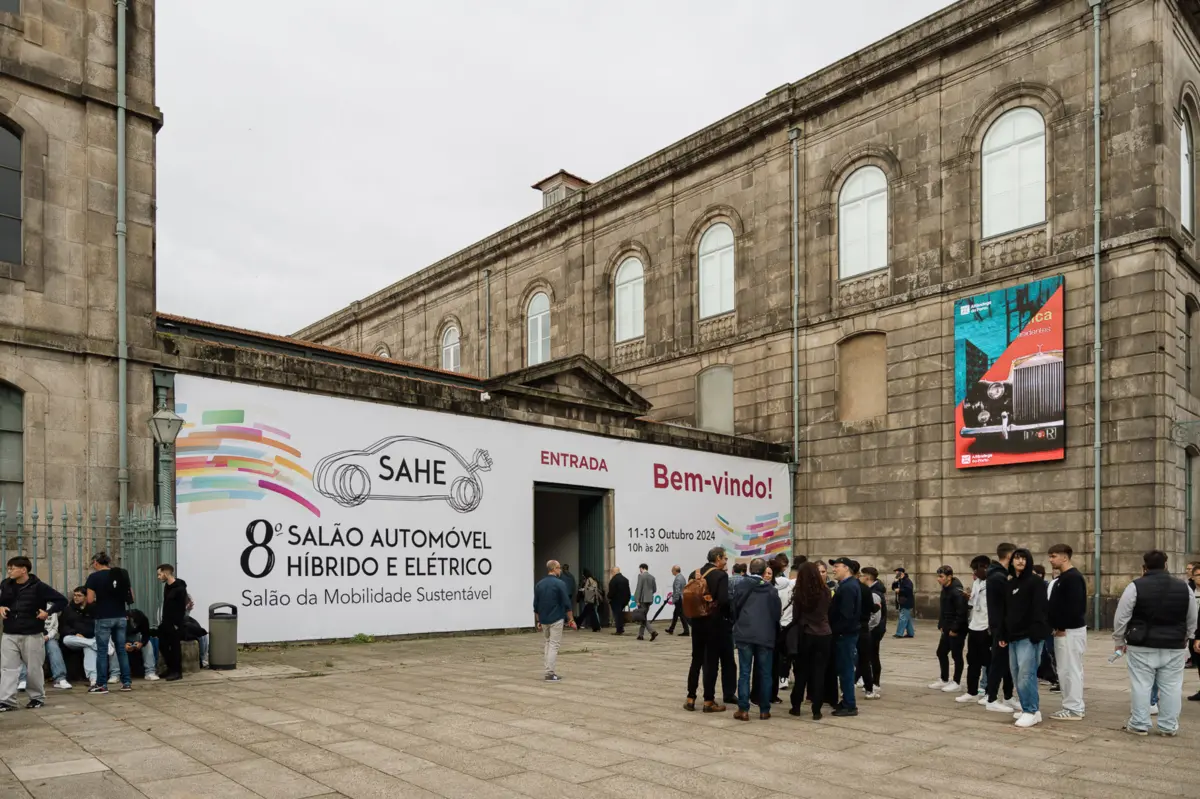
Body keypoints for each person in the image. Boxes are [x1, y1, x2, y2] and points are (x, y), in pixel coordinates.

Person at [1113, 549, 1197, 736]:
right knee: (1172, 686)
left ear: (1144, 566)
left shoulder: (1135, 586)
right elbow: (1192, 616)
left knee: (1141, 685)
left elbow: (1121, 617)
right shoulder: (1184, 587)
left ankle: (1139, 723)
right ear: (1166, 564)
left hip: (1142, 643)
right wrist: (1188, 636)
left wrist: (1119, 639)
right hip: (1174, 643)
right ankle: (1168, 726)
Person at [0, 556, 67, 711]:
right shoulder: (5, 584)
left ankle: (37, 697)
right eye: (8, 568)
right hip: (9, 633)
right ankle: (7, 700)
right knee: (7, 668)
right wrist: (1, 607)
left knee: (34, 668)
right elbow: (2, 601)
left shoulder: (39, 587)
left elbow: (62, 601)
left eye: (12, 568)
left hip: (32, 633)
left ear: (23, 570)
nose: (9, 571)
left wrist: (48, 612)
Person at [999, 547, 1050, 728]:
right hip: (1013, 637)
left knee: (1026, 675)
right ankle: (1030, 708)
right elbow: (1006, 611)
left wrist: (1036, 633)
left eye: (1024, 558)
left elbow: (1040, 609)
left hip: (1029, 637)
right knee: (1016, 673)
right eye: (1017, 558)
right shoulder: (1010, 583)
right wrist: (1003, 634)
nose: (1020, 561)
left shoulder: (1035, 582)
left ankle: (1030, 710)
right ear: (1012, 561)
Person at [683, 546, 732, 713]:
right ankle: (708, 701)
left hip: (697, 622)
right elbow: (724, 601)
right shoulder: (720, 575)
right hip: (713, 623)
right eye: (725, 558)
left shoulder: (694, 573)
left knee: (696, 659)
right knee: (711, 662)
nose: (726, 561)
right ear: (718, 558)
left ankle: (690, 698)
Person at [731, 558, 781, 721]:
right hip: (765, 635)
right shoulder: (770, 589)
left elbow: (734, 608)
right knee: (765, 673)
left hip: (745, 633)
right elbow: (776, 614)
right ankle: (764, 710)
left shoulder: (741, 585)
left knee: (745, 672)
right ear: (764, 570)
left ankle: (743, 709)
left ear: (750, 569)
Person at [1047, 543, 1086, 721]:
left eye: (1053, 556)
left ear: (1064, 557)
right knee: (1064, 670)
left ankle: (1074, 708)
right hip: (1064, 630)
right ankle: (1070, 705)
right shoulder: (1064, 578)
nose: (1050, 560)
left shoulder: (1073, 578)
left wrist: (1062, 627)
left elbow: (1074, 607)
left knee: (1070, 670)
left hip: (1069, 631)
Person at [788, 561, 832, 720]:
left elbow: (796, 617)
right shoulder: (826, 591)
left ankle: (796, 706)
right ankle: (816, 709)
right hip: (824, 634)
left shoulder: (800, 593)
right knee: (819, 672)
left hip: (806, 634)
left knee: (801, 672)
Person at [85, 552, 132, 693]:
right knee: (121, 650)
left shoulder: (94, 577)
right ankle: (127, 683)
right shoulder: (121, 574)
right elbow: (131, 595)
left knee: (102, 651)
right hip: (121, 616)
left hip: (103, 616)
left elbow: (89, 600)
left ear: (96, 562)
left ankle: (101, 684)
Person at [59, 586, 117, 688]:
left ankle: (93, 679)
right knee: (66, 639)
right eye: (74, 595)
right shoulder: (68, 609)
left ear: (86, 597)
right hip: (76, 639)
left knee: (88, 647)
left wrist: (87, 635)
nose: (76, 597)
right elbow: (63, 627)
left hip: (90, 638)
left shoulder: (94, 609)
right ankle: (97, 645)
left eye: (79, 595)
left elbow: (97, 625)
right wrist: (75, 633)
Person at [984, 543, 1017, 713]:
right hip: (1000, 627)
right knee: (998, 663)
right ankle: (991, 698)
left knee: (1007, 664)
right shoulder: (998, 577)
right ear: (1009, 556)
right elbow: (1003, 605)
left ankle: (1008, 696)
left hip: (1003, 626)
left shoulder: (1001, 575)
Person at [828, 557, 861, 717]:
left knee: (846, 669)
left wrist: (836, 630)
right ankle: (846, 701)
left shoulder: (848, 587)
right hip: (846, 633)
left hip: (845, 634)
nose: (834, 569)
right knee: (844, 668)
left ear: (846, 568)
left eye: (837, 566)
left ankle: (849, 704)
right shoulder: (848, 585)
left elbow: (846, 614)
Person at [957, 556, 992, 704]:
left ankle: (990, 693)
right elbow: (974, 602)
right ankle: (972, 691)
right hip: (974, 625)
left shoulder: (992, 583)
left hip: (986, 626)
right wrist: (968, 597)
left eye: (976, 570)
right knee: (972, 661)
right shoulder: (977, 583)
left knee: (988, 662)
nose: (974, 573)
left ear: (984, 567)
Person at [533, 560, 576, 682]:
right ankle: (550, 673)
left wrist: (538, 621)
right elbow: (567, 603)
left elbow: (536, 605)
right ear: (554, 569)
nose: (560, 570)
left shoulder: (539, 584)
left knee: (547, 643)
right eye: (559, 568)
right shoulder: (560, 584)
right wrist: (571, 619)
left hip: (544, 618)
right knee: (554, 645)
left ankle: (548, 669)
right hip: (556, 617)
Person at [17, 598, 70, 692]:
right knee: (24, 648)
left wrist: (48, 637)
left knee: (53, 647)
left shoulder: (52, 609)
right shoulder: (26, 607)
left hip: (47, 637)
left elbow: (54, 628)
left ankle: (60, 678)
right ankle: (23, 679)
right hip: (30, 636)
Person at [929, 565, 967, 694]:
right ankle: (944, 679)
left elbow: (961, 612)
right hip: (946, 626)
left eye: (941, 576)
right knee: (941, 652)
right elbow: (944, 609)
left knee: (956, 655)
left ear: (949, 577)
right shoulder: (945, 589)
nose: (938, 579)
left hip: (957, 628)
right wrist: (941, 624)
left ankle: (956, 682)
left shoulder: (956, 591)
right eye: (938, 576)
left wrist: (955, 628)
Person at [157, 564, 188, 681]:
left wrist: (177, 623)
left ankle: (177, 671)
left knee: (175, 647)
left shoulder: (180, 588)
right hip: (166, 621)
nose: (158, 577)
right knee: (163, 645)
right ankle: (170, 668)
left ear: (166, 573)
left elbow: (182, 608)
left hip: (175, 623)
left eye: (160, 574)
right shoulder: (167, 586)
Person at [857, 567, 883, 699]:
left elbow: (875, 617)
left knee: (869, 657)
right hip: (868, 629)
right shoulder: (869, 590)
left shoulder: (873, 592)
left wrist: (867, 627)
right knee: (866, 657)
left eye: (861, 575)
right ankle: (864, 681)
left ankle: (874, 683)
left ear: (867, 577)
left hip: (872, 629)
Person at [773, 563, 797, 701]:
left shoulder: (773, 588)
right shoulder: (792, 586)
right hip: (790, 624)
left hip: (778, 624)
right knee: (791, 652)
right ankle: (786, 677)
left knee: (780, 655)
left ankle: (782, 678)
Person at [634, 564, 658, 642]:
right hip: (649, 599)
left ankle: (652, 632)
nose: (639, 570)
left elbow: (639, 588)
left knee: (642, 617)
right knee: (643, 616)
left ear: (642, 568)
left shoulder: (641, 576)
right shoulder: (652, 577)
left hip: (642, 599)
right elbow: (654, 589)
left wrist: (637, 600)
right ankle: (640, 635)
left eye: (640, 569)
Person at [666, 565, 690, 637]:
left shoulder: (677, 579)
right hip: (682, 598)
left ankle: (686, 631)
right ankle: (671, 629)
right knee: (676, 614)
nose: (671, 571)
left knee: (681, 615)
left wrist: (675, 600)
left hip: (679, 599)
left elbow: (677, 591)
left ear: (675, 570)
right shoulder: (682, 577)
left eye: (672, 570)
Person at [892, 567, 915, 638]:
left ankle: (899, 633)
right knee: (907, 618)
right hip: (901, 601)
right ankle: (910, 633)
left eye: (897, 573)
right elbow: (893, 588)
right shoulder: (899, 580)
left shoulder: (907, 581)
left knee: (903, 617)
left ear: (901, 573)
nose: (896, 574)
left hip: (906, 602)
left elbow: (909, 590)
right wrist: (895, 582)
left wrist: (900, 590)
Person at [607, 567, 631, 636]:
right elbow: (628, 591)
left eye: (612, 572)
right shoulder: (625, 579)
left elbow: (612, 592)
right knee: (620, 614)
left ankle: (619, 630)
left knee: (617, 615)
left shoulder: (613, 580)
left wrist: (608, 597)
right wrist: (627, 599)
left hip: (616, 600)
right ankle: (621, 628)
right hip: (624, 600)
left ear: (613, 572)